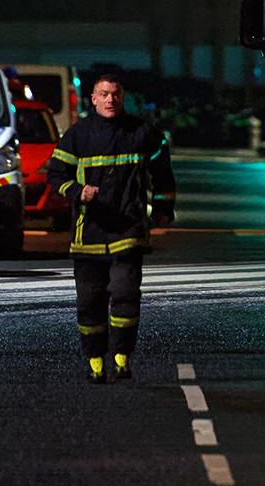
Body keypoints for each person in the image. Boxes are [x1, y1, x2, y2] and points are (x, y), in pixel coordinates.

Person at [46, 73, 175, 382]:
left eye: (115, 94)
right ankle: (94, 360)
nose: (110, 100)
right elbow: (55, 175)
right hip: (88, 233)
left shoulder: (143, 133)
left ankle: (121, 357)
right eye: (103, 94)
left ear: (123, 97)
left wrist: (162, 210)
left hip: (128, 231)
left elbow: (163, 175)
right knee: (89, 301)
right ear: (93, 99)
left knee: (125, 294)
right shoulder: (78, 135)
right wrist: (78, 192)